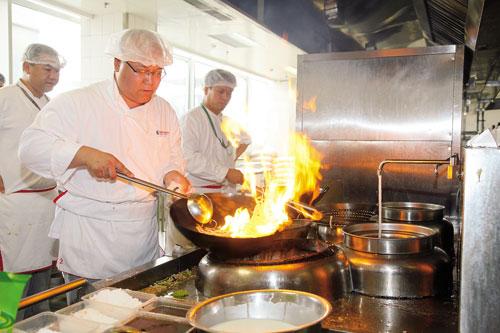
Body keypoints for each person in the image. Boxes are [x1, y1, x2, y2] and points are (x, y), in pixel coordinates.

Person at [18, 29, 190, 293]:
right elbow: (30, 147)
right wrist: (84, 155)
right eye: (142, 70)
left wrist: (173, 176)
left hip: (141, 239)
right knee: (89, 319)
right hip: (91, 239)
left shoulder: (164, 110)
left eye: (157, 72)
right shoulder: (78, 102)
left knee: (137, 318)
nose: (150, 81)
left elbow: (171, 159)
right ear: (117, 64)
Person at [0, 43, 64, 317]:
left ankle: (39, 323)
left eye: (57, 70)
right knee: (12, 274)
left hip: (46, 201)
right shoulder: (6, 97)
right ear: (26, 67)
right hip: (14, 202)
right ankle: (6, 322)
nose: (53, 76)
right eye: (47, 68)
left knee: (42, 274)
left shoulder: (50, 105)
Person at [180, 69, 249, 194]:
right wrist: (225, 172)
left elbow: (246, 140)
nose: (225, 97)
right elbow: (188, 158)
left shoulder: (227, 121)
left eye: (229, 93)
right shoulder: (192, 118)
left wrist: (231, 158)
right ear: (206, 90)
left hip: (226, 191)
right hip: (199, 194)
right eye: (220, 91)